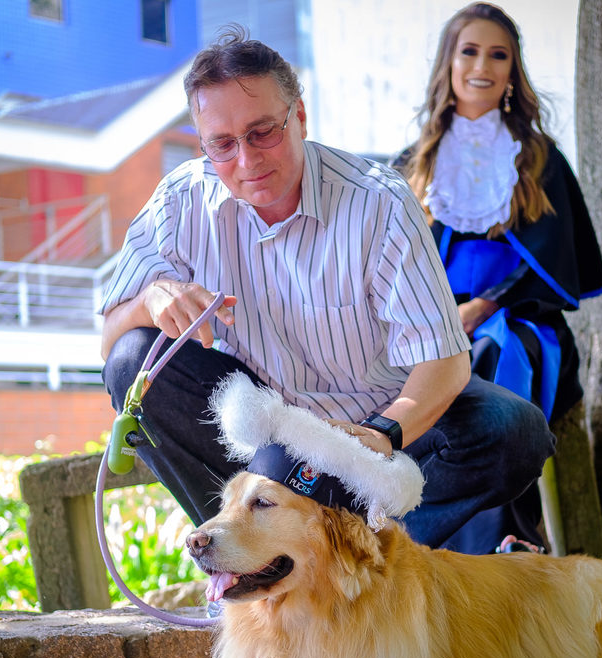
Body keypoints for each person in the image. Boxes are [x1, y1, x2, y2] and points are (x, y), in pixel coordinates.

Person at [97, 26, 554, 552]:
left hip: (379, 436)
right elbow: (111, 342)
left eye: (263, 131)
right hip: (267, 438)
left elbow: (446, 363)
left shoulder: (377, 200)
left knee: (512, 429)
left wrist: (385, 432)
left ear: (300, 118)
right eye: (222, 144)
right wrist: (151, 299)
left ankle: (372, 556)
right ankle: (252, 555)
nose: (247, 161)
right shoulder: (181, 201)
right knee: (134, 361)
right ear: (203, 144)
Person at [395, 3, 602, 552]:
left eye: (499, 55)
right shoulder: (414, 164)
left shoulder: (539, 160)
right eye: (469, 51)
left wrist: (481, 307)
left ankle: (501, 539)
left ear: (513, 71)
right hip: (430, 326)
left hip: (518, 323)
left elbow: (553, 266)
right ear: (449, 63)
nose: (482, 65)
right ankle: (413, 538)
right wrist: (440, 319)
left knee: (489, 359)